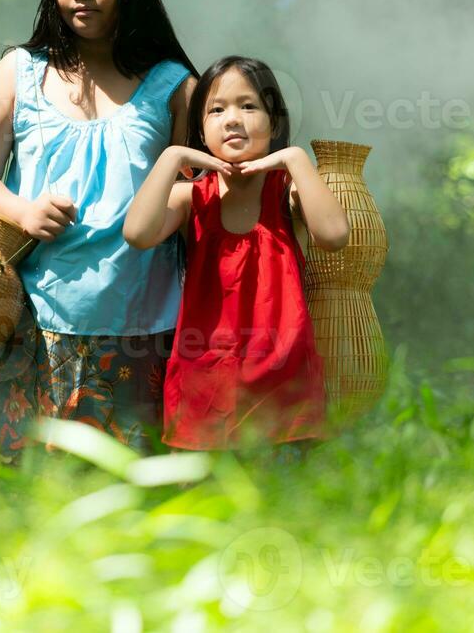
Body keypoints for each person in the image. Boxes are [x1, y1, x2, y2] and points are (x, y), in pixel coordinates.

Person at [0, 0, 198, 464]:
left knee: (133, 498)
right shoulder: (18, 72)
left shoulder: (174, 85)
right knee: (34, 492)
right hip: (35, 321)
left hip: (145, 329)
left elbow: (199, 198)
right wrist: (22, 211)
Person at [123, 56, 350, 453]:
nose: (233, 119)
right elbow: (138, 234)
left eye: (249, 106)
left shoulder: (286, 189)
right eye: (217, 109)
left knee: (284, 507)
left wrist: (294, 158)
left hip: (284, 385)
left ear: (274, 122)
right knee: (206, 507)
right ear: (200, 128)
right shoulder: (192, 196)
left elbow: (333, 235)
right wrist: (173, 157)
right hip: (206, 384)